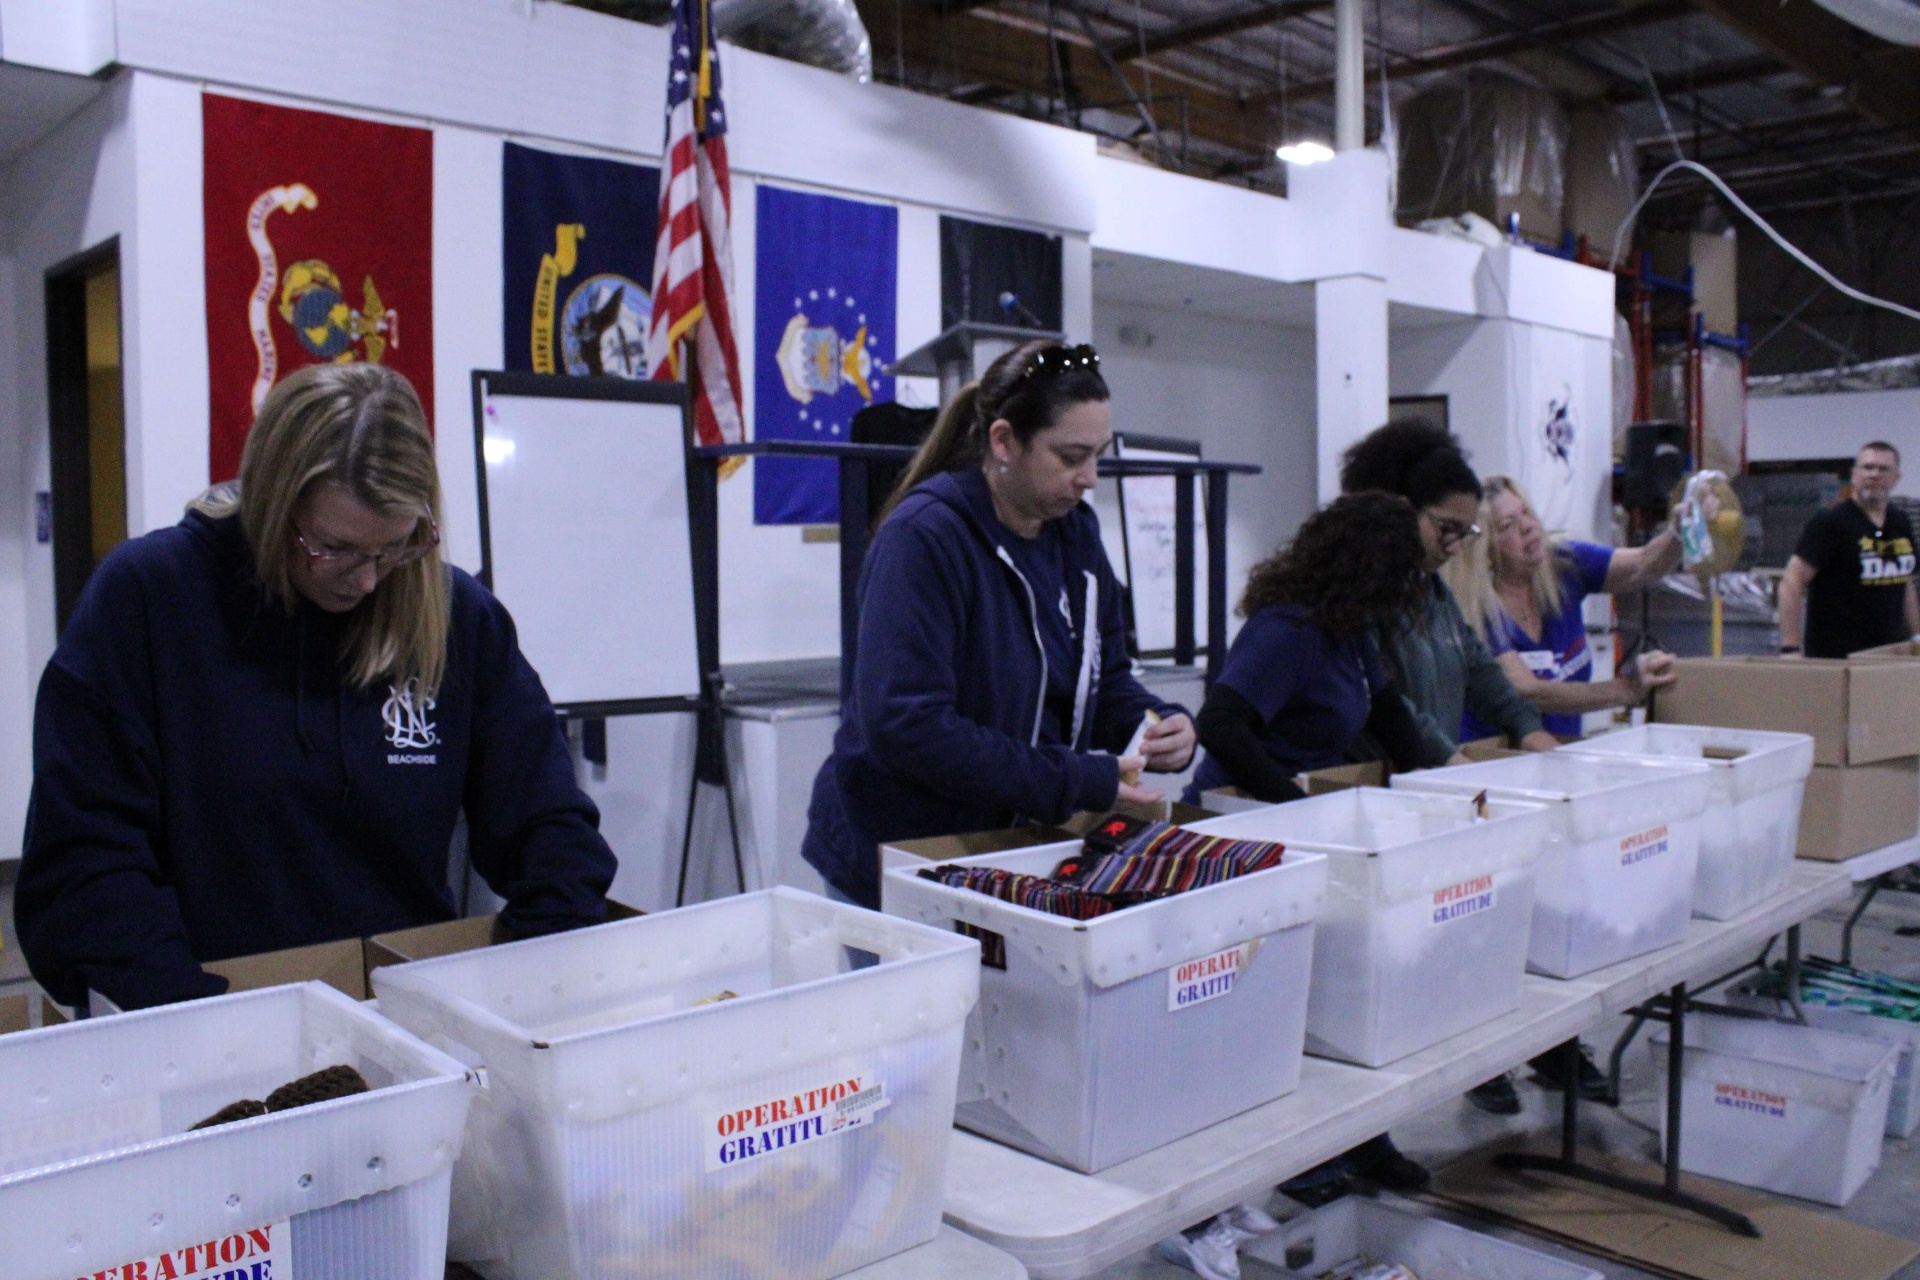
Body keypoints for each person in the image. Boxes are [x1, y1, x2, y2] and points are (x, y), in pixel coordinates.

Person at [17, 364, 617, 1012]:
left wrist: (523, 991)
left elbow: (553, 831)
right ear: (273, 504)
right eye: (332, 548)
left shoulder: (454, 618)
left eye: (393, 548)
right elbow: (86, 870)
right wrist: (206, 1033)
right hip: (200, 1020)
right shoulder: (145, 602)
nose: (365, 582)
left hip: (404, 1023)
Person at [800, 340, 1196, 909]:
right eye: (1070, 456)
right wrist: (1075, 780)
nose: (1090, 478)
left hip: (1009, 848)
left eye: (1097, 455)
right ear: (1004, 441)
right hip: (905, 855)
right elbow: (908, 726)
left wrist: (1158, 725)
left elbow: (1102, 679)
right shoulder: (926, 538)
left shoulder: (1076, 535)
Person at [1186, 493, 1434, 804]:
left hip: (1297, 802)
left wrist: (1425, 785)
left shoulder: (1348, 628)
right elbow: (1218, 723)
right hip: (1239, 808)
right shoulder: (1290, 630)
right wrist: (1294, 805)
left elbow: (1388, 711)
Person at [1338, 420, 1559, 765]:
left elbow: (1477, 666)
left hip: (1428, 777)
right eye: (1445, 529)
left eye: (1465, 532)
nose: (1454, 547)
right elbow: (1382, 701)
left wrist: (1527, 725)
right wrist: (1446, 758)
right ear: (1401, 510)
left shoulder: (1431, 588)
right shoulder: (1357, 594)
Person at [1445, 474, 1680, 742]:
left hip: (1558, 753)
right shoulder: (1478, 611)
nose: (1527, 527)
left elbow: (1644, 565)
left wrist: (1679, 532)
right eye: (1508, 525)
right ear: (1486, 551)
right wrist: (1625, 689)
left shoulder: (1564, 563)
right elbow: (1528, 692)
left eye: (1526, 512)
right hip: (1493, 757)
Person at [1778, 442, 1919, 658]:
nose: (1874, 475)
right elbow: (1791, 581)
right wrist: (1790, 648)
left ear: (1895, 479)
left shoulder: (1900, 522)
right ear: (1854, 474)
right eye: (1868, 467)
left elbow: (1904, 581)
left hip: (1888, 655)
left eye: (1883, 469)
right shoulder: (1831, 522)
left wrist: (1917, 636)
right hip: (1837, 658)